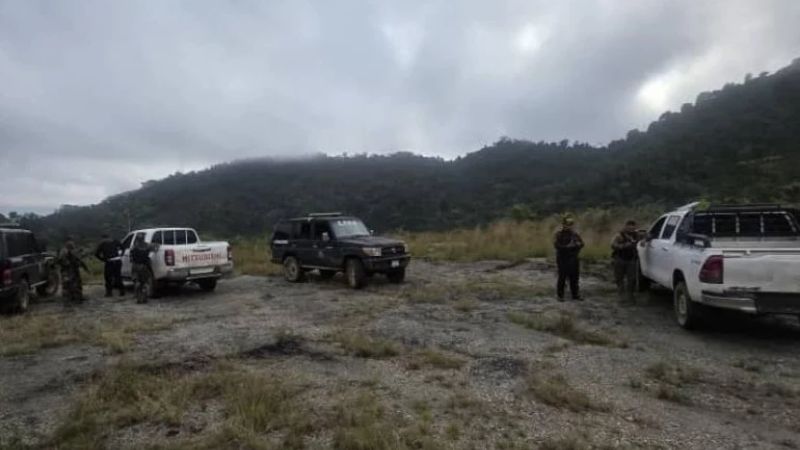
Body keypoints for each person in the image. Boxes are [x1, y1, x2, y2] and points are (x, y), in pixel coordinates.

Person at [553, 216, 584, 301]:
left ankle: (575, 294)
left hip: (573, 258)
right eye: (567, 224)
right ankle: (560, 295)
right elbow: (556, 245)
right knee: (562, 277)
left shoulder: (575, 234)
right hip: (563, 258)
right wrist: (567, 247)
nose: (569, 226)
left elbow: (582, 244)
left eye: (571, 224)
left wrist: (577, 245)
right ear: (563, 224)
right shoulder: (559, 234)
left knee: (574, 277)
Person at [611, 220, 640, 304]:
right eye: (629, 226)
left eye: (633, 226)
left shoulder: (636, 235)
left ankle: (630, 296)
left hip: (631, 260)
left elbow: (645, 237)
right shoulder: (619, 235)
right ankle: (621, 296)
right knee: (619, 279)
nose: (631, 228)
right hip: (620, 259)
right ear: (626, 226)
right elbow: (613, 245)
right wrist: (624, 246)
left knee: (632, 280)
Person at [57, 237, 88, 304]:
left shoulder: (72, 251)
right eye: (70, 242)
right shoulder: (64, 251)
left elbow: (78, 260)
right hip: (67, 270)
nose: (72, 243)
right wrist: (68, 263)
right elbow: (60, 260)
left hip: (73, 270)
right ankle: (68, 299)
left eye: (72, 242)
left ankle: (77, 298)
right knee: (67, 285)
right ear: (66, 243)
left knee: (76, 284)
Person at [129, 235, 154, 304]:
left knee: (137, 282)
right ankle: (145, 298)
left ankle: (138, 298)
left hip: (135, 266)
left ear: (137, 240)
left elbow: (131, 258)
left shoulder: (134, 247)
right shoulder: (147, 246)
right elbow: (155, 248)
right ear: (143, 239)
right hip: (144, 266)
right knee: (145, 283)